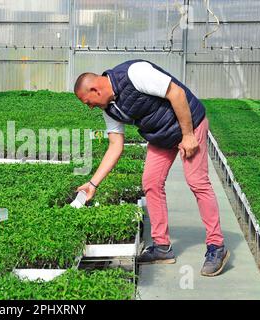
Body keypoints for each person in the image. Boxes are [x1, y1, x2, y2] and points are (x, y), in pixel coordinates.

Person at [74, 59, 230, 277]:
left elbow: (176, 93)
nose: (89, 107)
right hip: (161, 135)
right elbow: (115, 146)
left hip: (189, 124)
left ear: (94, 89)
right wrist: (92, 184)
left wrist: (187, 135)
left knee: (197, 182)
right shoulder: (109, 109)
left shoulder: (134, 73)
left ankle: (216, 247)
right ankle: (162, 247)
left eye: (87, 102)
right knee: (151, 182)